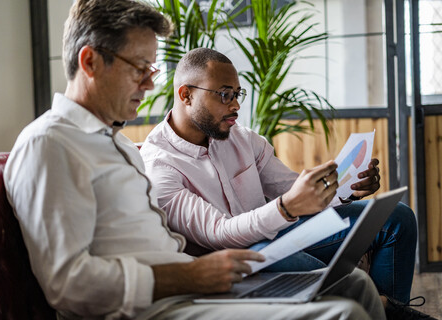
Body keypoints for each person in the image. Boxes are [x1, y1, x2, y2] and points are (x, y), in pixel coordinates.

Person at [2, 1, 390, 319]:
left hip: (189, 287)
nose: (151, 84)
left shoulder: (115, 145)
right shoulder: (50, 145)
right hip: (155, 306)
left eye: (151, 70)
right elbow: (67, 284)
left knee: (354, 285)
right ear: (90, 62)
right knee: (342, 312)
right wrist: (189, 275)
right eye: (139, 68)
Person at [140, 48, 433, 319]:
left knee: (397, 218)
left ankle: (389, 310)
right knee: (342, 279)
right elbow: (219, 234)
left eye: (238, 93)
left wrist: (346, 190)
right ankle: (389, 312)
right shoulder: (160, 165)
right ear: (186, 94)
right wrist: (286, 207)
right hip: (236, 261)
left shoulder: (243, 139)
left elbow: (291, 189)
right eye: (225, 94)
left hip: (278, 235)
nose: (237, 105)